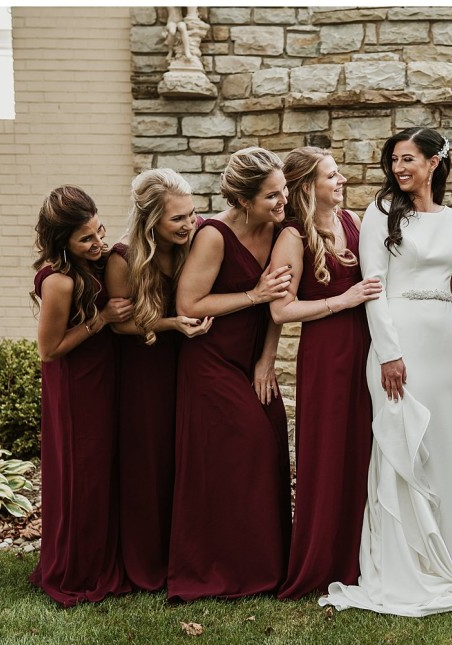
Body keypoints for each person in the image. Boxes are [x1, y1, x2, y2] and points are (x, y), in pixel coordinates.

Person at [319, 127, 452, 616]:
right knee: (404, 442)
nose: (400, 168)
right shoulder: (381, 213)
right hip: (398, 337)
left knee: (443, 441)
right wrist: (387, 352)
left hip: (444, 342)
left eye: (409, 159)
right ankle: (402, 564)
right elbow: (373, 286)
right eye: (395, 160)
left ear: (434, 163)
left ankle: (442, 553)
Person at [167, 147, 294, 601]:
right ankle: (222, 569)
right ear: (243, 200)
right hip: (211, 360)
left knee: (272, 435)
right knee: (247, 446)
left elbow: (279, 304)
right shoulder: (213, 236)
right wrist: (254, 295)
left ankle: (267, 565)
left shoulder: (281, 229)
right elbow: (190, 306)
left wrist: (267, 359)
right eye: (271, 197)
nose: (282, 203)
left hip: (252, 358)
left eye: (283, 192)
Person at [270, 147, 382, 599]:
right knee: (328, 452)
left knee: (362, 449)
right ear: (307, 186)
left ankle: (362, 557)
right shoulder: (293, 237)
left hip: (365, 349)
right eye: (331, 175)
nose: (341, 180)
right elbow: (281, 309)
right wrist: (343, 301)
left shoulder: (352, 222)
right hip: (327, 355)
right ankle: (321, 562)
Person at [104, 168, 212, 591]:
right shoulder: (122, 259)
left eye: (191, 214)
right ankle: (146, 562)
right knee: (148, 463)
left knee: (184, 459)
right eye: (178, 220)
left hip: (189, 364)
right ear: (152, 222)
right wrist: (172, 324)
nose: (190, 224)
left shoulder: (197, 241)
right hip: (144, 371)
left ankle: (183, 554)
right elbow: (121, 327)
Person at [28, 185, 133, 606]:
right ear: (63, 242)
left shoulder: (95, 263)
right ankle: (77, 569)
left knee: (100, 474)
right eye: (86, 238)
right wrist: (103, 318)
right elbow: (48, 350)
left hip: (102, 378)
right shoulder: (59, 281)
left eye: (99, 231)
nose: (98, 243)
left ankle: (101, 558)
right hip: (75, 387)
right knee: (81, 476)